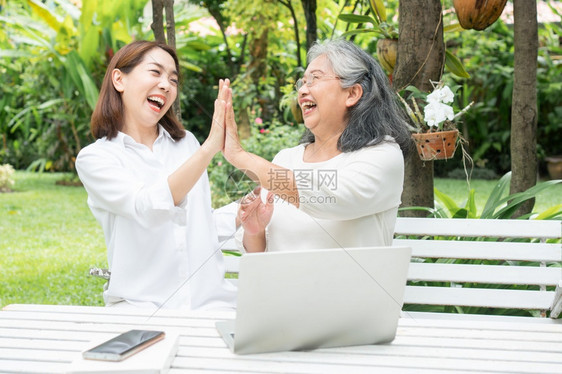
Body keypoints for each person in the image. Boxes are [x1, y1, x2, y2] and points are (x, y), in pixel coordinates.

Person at [75, 40, 236, 310]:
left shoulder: (187, 144)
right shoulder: (96, 159)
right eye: (155, 72)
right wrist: (210, 148)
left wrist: (241, 216)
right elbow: (148, 206)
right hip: (142, 308)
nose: (166, 84)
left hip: (210, 305)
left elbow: (196, 220)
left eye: (173, 80)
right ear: (119, 79)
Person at [222, 38, 412, 253]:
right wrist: (254, 231)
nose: (302, 91)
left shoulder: (383, 154)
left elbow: (329, 195)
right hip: (284, 286)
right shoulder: (286, 158)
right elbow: (260, 255)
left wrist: (240, 156)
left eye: (314, 80)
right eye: (302, 82)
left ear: (352, 93)